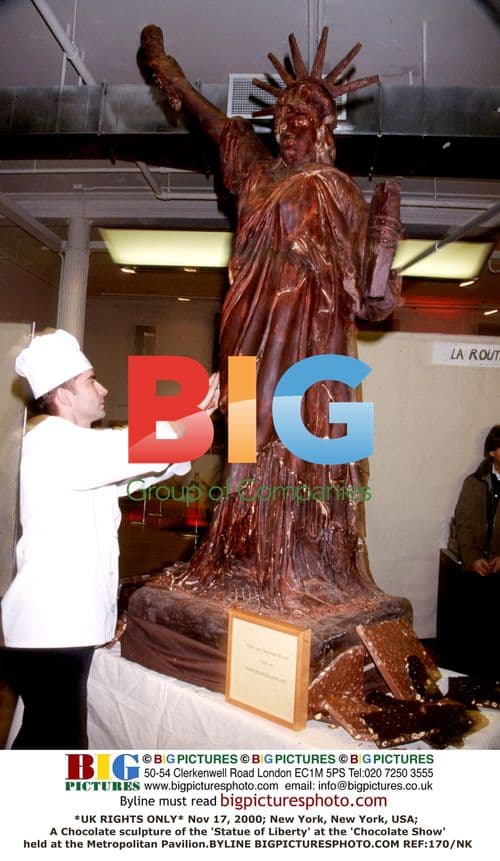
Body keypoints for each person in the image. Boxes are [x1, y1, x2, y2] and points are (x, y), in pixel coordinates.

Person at [138, 26, 402, 614]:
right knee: (244, 440)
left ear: (324, 126)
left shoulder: (339, 192)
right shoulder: (257, 174)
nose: (288, 122)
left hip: (318, 337)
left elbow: (377, 302)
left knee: (317, 444)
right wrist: (170, 73)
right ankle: (243, 558)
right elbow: (218, 126)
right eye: (282, 113)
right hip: (250, 326)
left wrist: (382, 253)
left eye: (303, 112)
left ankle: (311, 566)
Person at [0, 328, 218, 748]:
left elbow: (142, 468)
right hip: (51, 629)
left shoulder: (74, 447)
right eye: (90, 381)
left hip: (58, 629)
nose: (103, 389)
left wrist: (195, 422)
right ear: (63, 395)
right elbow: (132, 450)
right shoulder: (51, 443)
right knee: (58, 743)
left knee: (46, 735)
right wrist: (195, 414)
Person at [452, 425, 500, 574]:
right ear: (492, 452)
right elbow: (464, 524)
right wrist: (473, 558)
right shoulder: (474, 483)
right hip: (477, 567)